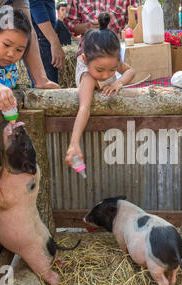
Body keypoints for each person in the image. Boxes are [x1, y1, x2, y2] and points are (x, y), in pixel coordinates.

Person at [65, 13, 136, 168]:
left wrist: (118, 82)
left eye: (112, 69)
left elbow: (130, 71)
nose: (105, 75)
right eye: (100, 70)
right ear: (85, 59)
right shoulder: (88, 77)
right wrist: (74, 142)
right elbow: (84, 107)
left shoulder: (111, 60)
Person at [63, 0, 139, 57]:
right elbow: (70, 23)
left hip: (117, 57)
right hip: (88, 56)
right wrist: (87, 27)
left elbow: (136, 24)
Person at [29, 0, 65, 83]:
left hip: (42, 36)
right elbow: (35, 5)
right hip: (42, 37)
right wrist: (54, 42)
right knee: (48, 87)